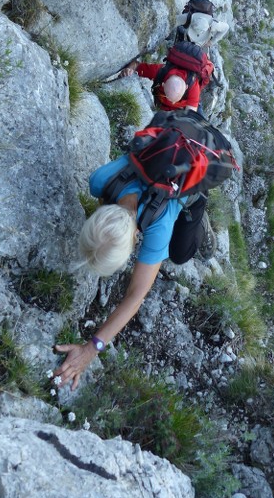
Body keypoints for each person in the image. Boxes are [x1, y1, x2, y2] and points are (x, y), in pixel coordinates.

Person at [51, 154, 215, 391]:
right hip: (169, 162)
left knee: (180, 254)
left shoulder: (157, 230)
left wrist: (91, 349)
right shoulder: (99, 181)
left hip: (190, 178)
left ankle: (197, 213)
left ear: (134, 239)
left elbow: (136, 295)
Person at [121, 59, 202, 111]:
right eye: (169, 98)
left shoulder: (194, 86)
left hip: (184, 108)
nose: (173, 102)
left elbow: (190, 117)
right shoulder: (158, 72)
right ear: (163, 84)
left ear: (186, 87)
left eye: (176, 99)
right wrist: (129, 70)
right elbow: (136, 65)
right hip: (164, 108)